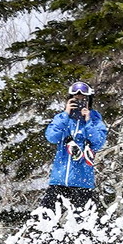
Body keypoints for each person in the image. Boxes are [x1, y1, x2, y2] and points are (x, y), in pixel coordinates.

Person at [41, 80, 108, 211]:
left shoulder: (95, 121)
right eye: (76, 99)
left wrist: (88, 121)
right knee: (45, 218)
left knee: (83, 222)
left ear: (89, 101)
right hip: (59, 180)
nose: (79, 103)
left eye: (83, 99)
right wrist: (66, 114)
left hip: (83, 182)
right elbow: (51, 137)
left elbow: (98, 142)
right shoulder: (62, 119)